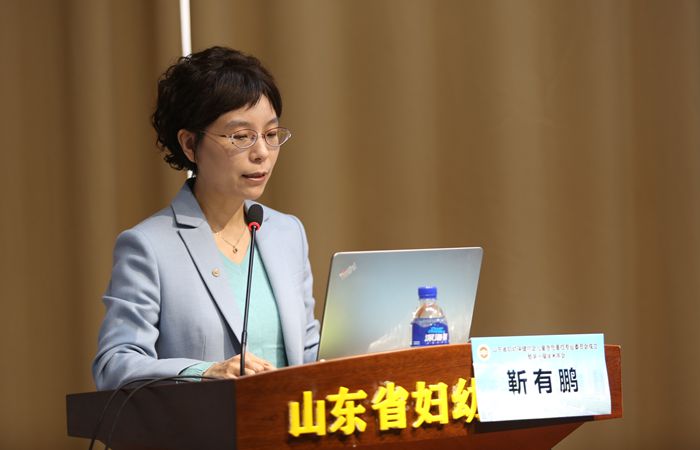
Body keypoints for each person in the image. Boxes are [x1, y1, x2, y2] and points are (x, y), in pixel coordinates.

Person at [92, 46, 320, 390]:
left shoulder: (286, 232)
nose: (262, 153)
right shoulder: (149, 246)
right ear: (189, 144)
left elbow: (306, 352)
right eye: (241, 137)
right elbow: (114, 364)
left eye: (271, 135)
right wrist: (204, 370)